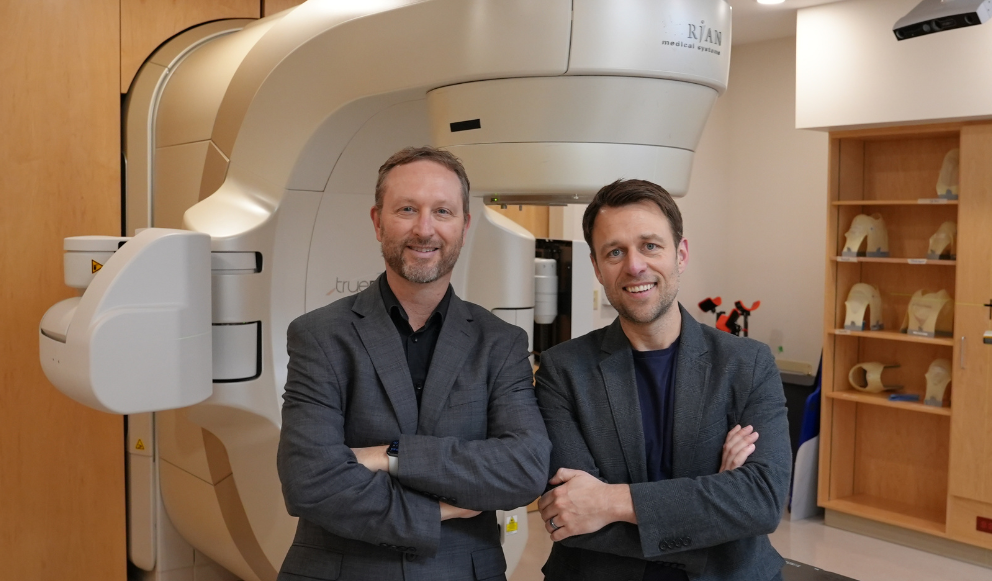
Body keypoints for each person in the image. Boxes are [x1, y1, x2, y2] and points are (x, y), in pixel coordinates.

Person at [277, 146, 551, 581]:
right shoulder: (320, 336)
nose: (425, 229)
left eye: (442, 211)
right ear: (377, 221)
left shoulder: (500, 343)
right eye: (407, 209)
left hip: (463, 570)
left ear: (464, 226)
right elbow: (309, 481)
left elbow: (524, 470)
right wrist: (442, 510)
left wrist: (392, 456)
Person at [534, 179, 791, 581]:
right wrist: (716, 506)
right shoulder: (561, 370)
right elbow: (569, 513)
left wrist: (609, 500)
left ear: (681, 254)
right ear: (597, 268)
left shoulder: (747, 364)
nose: (634, 266)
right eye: (615, 252)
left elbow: (762, 501)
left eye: (650, 246)